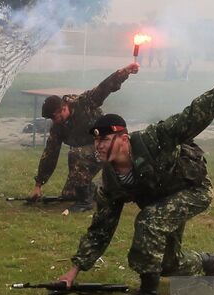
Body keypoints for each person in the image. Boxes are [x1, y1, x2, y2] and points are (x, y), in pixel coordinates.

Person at [56, 64, 214, 295]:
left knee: (149, 221)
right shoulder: (111, 180)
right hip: (163, 202)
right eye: (96, 141)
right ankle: (208, 263)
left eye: (104, 140)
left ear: (123, 139)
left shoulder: (155, 139)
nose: (98, 147)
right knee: (168, 264)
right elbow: (101, 228)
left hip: (194, 190)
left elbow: (193, 115)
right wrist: (73, 271)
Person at [30, 62, 139, 213]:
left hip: (106, 146)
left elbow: (104, 88)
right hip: (88, 155)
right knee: (69, 194)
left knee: (76, 153)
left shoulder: (84, 103)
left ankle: (85, 202)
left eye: (54, 117)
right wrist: (38, 184)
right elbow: (50, 154)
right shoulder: (57, 127)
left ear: (63, 108)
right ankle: (98, 189)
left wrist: (124, 72)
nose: (53, 121)